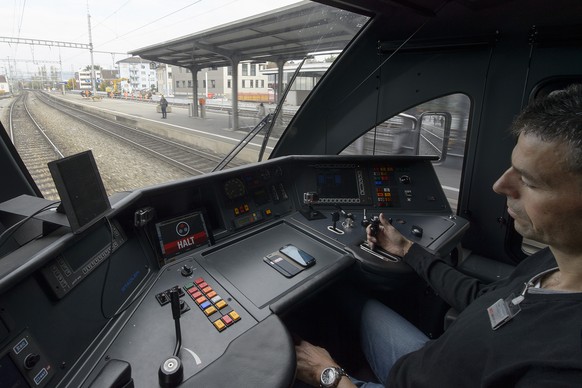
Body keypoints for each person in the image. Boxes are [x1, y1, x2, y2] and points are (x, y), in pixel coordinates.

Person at [295, 84, 582, 387]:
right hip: (425, 360)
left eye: (528, 180)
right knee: (346, 295)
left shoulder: (563, 369)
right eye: (512, 168)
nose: (500, 185)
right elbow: (483, 299)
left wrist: (327, 374)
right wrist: (407, 249)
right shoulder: (553, 260)